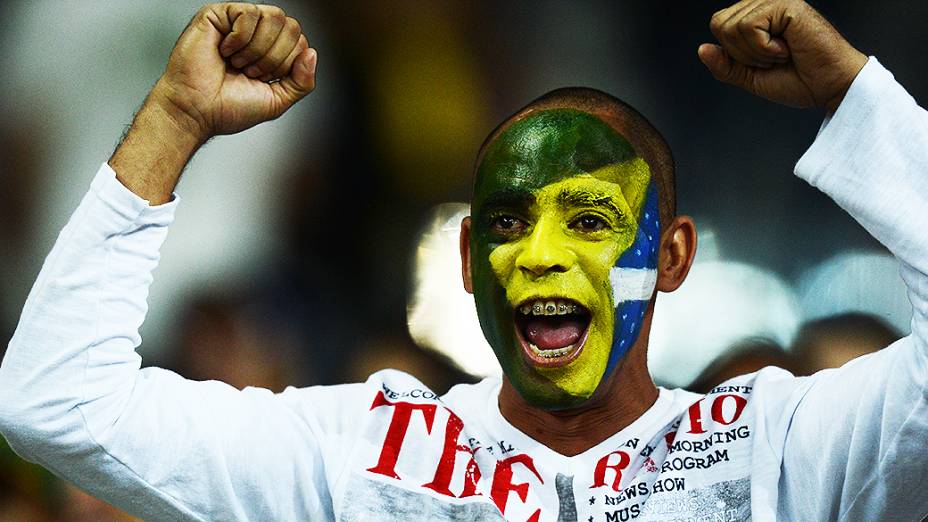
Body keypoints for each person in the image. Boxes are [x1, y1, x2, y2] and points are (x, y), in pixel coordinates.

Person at [1, 0, 926, 520]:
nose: (542, 258)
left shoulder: (780, 446)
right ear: (467, 260)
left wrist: (861, 100)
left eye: (593, 220)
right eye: (509, 225)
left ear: (675, 256)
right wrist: (173, 121)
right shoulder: (358, 451)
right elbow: (56, 404)